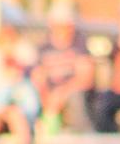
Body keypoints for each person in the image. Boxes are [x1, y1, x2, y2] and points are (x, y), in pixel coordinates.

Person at [33, 8, 95, 137]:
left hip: (71, 93)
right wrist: (46, 96)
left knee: (75, 99)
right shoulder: (43, 49)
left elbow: (85, 77)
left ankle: (78, 139)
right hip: (50, 96)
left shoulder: (79, 47)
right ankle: (46, 139)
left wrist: (62, 93)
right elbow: (38, 77)